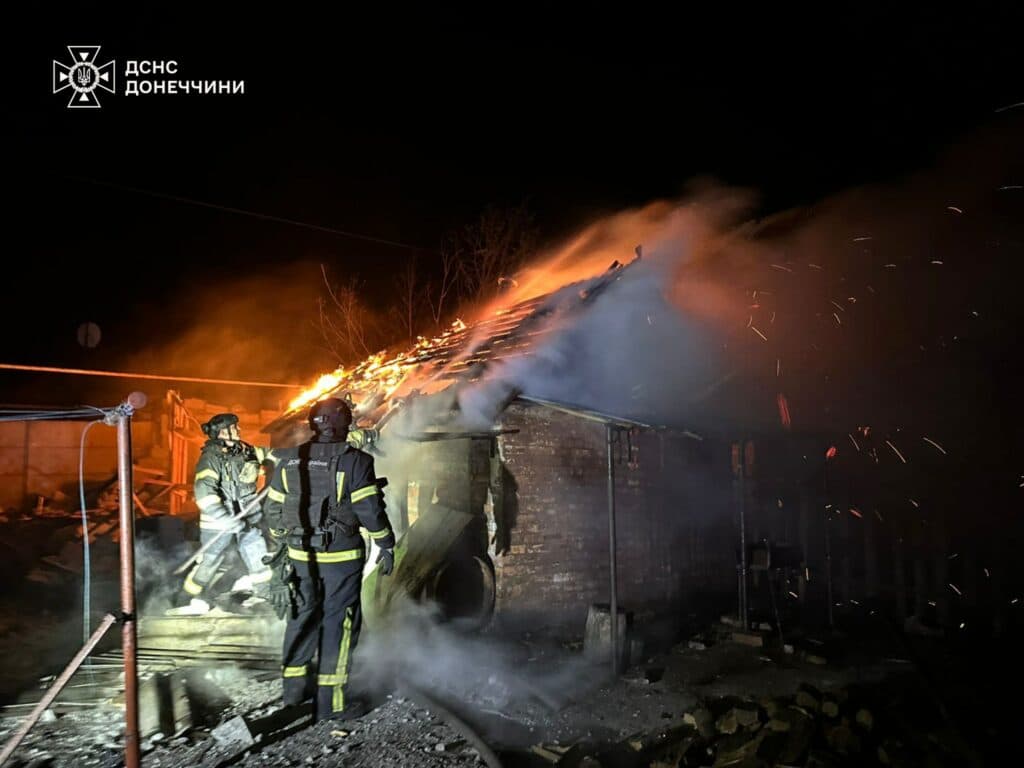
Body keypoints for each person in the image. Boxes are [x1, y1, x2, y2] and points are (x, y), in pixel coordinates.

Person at [262, 397, 395, 721]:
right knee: (339, 623)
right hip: (341, 558)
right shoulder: (356, 461)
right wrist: (386, 544)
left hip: (299, 555)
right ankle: (331, 705)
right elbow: (369, 511)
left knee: (302, 617)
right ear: (344, 423)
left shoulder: (289, 460)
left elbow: (273, 511)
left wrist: (282, 550)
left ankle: (293, 696)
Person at [171, 413, 276, 615]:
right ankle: (186, 597)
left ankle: (264, 595)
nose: (239, 430)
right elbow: (204, 493)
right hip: (218, 524)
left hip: (248, 518)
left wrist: (282, 460)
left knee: (257, 554)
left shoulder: (246, 451)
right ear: (222, 432)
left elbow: (270, 454)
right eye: (234, 427)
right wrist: (225, 519)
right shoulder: (210, 459)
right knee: (212, 562)